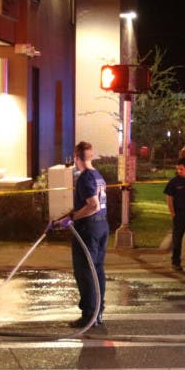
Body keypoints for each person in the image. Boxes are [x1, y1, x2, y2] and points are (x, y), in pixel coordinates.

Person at [63, 141, 109, 328]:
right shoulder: (98, 175)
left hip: (88, 229)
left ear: (76, 158)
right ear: (90, 156)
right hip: (102, 226)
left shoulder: (85, 178)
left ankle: (90, 313)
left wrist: (73, 217)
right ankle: (98, 311)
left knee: (85, 272)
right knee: (97, 269)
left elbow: (92, 205)